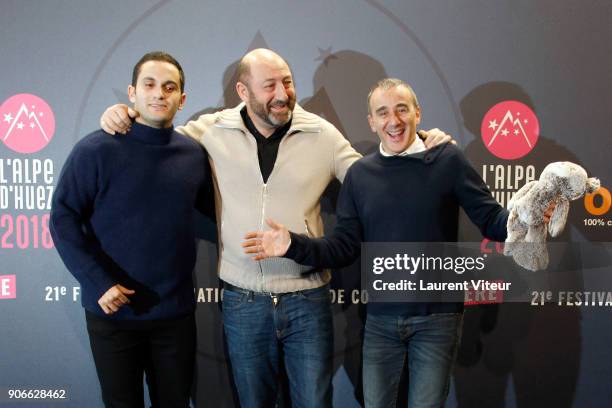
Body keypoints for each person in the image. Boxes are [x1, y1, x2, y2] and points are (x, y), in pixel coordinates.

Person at [99, 50, 451, 408]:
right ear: (242, 90)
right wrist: (126, 115)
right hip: (243, 302)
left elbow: (375, 181)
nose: (282, 94)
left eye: (287, 82)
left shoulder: (322, 133)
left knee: (314, 403)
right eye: (269, 86)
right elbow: (158, 144)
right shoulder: (210, 129)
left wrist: (417, 143)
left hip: (308, 300)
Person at [243, 78, 556, 408]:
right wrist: (292, 245)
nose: (394, 121)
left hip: (438, 321)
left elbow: (492, 221)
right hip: (380, 322)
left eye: (402, 109)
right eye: (383, 113)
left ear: (417, 113)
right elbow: (343, 247)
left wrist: (528, 217)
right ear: (372, 122)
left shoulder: (447, 160)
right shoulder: (361, 175)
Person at [51, 51, 212, 407]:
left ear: (182, 99)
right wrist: (98, 282)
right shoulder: (95, 149)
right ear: (132, 92)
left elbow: (216, 216)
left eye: (169, 88)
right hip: (112, 313)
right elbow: (62, 217)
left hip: (175, 317)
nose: (159, 94)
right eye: (149, 85)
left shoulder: (194, 155)